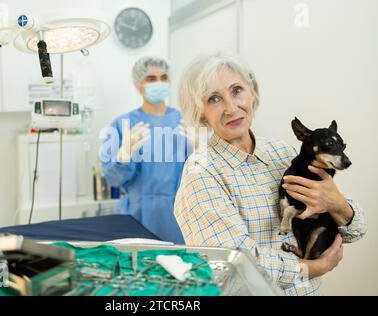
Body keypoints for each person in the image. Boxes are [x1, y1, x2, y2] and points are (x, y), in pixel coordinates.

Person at [173, 52, 367, 295]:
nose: (231, 108)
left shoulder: (282, 153)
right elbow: (233, 265)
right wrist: (312, 267)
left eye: (237, 90)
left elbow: (354, 230)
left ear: (252, 92)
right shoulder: (201, 174)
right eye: (214, 98)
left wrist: (339, 205)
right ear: (200, 112)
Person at [100, 56, 195, 244]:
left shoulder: (187, 122)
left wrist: (200, 150)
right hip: (137, 216)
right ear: (138, 85)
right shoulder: (123, 124)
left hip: (179, 218)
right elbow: (113, 179)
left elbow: (203, 177)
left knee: (178, 267)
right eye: (151, 79)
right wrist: (122, 156)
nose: (159, 83)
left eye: (164, 77)